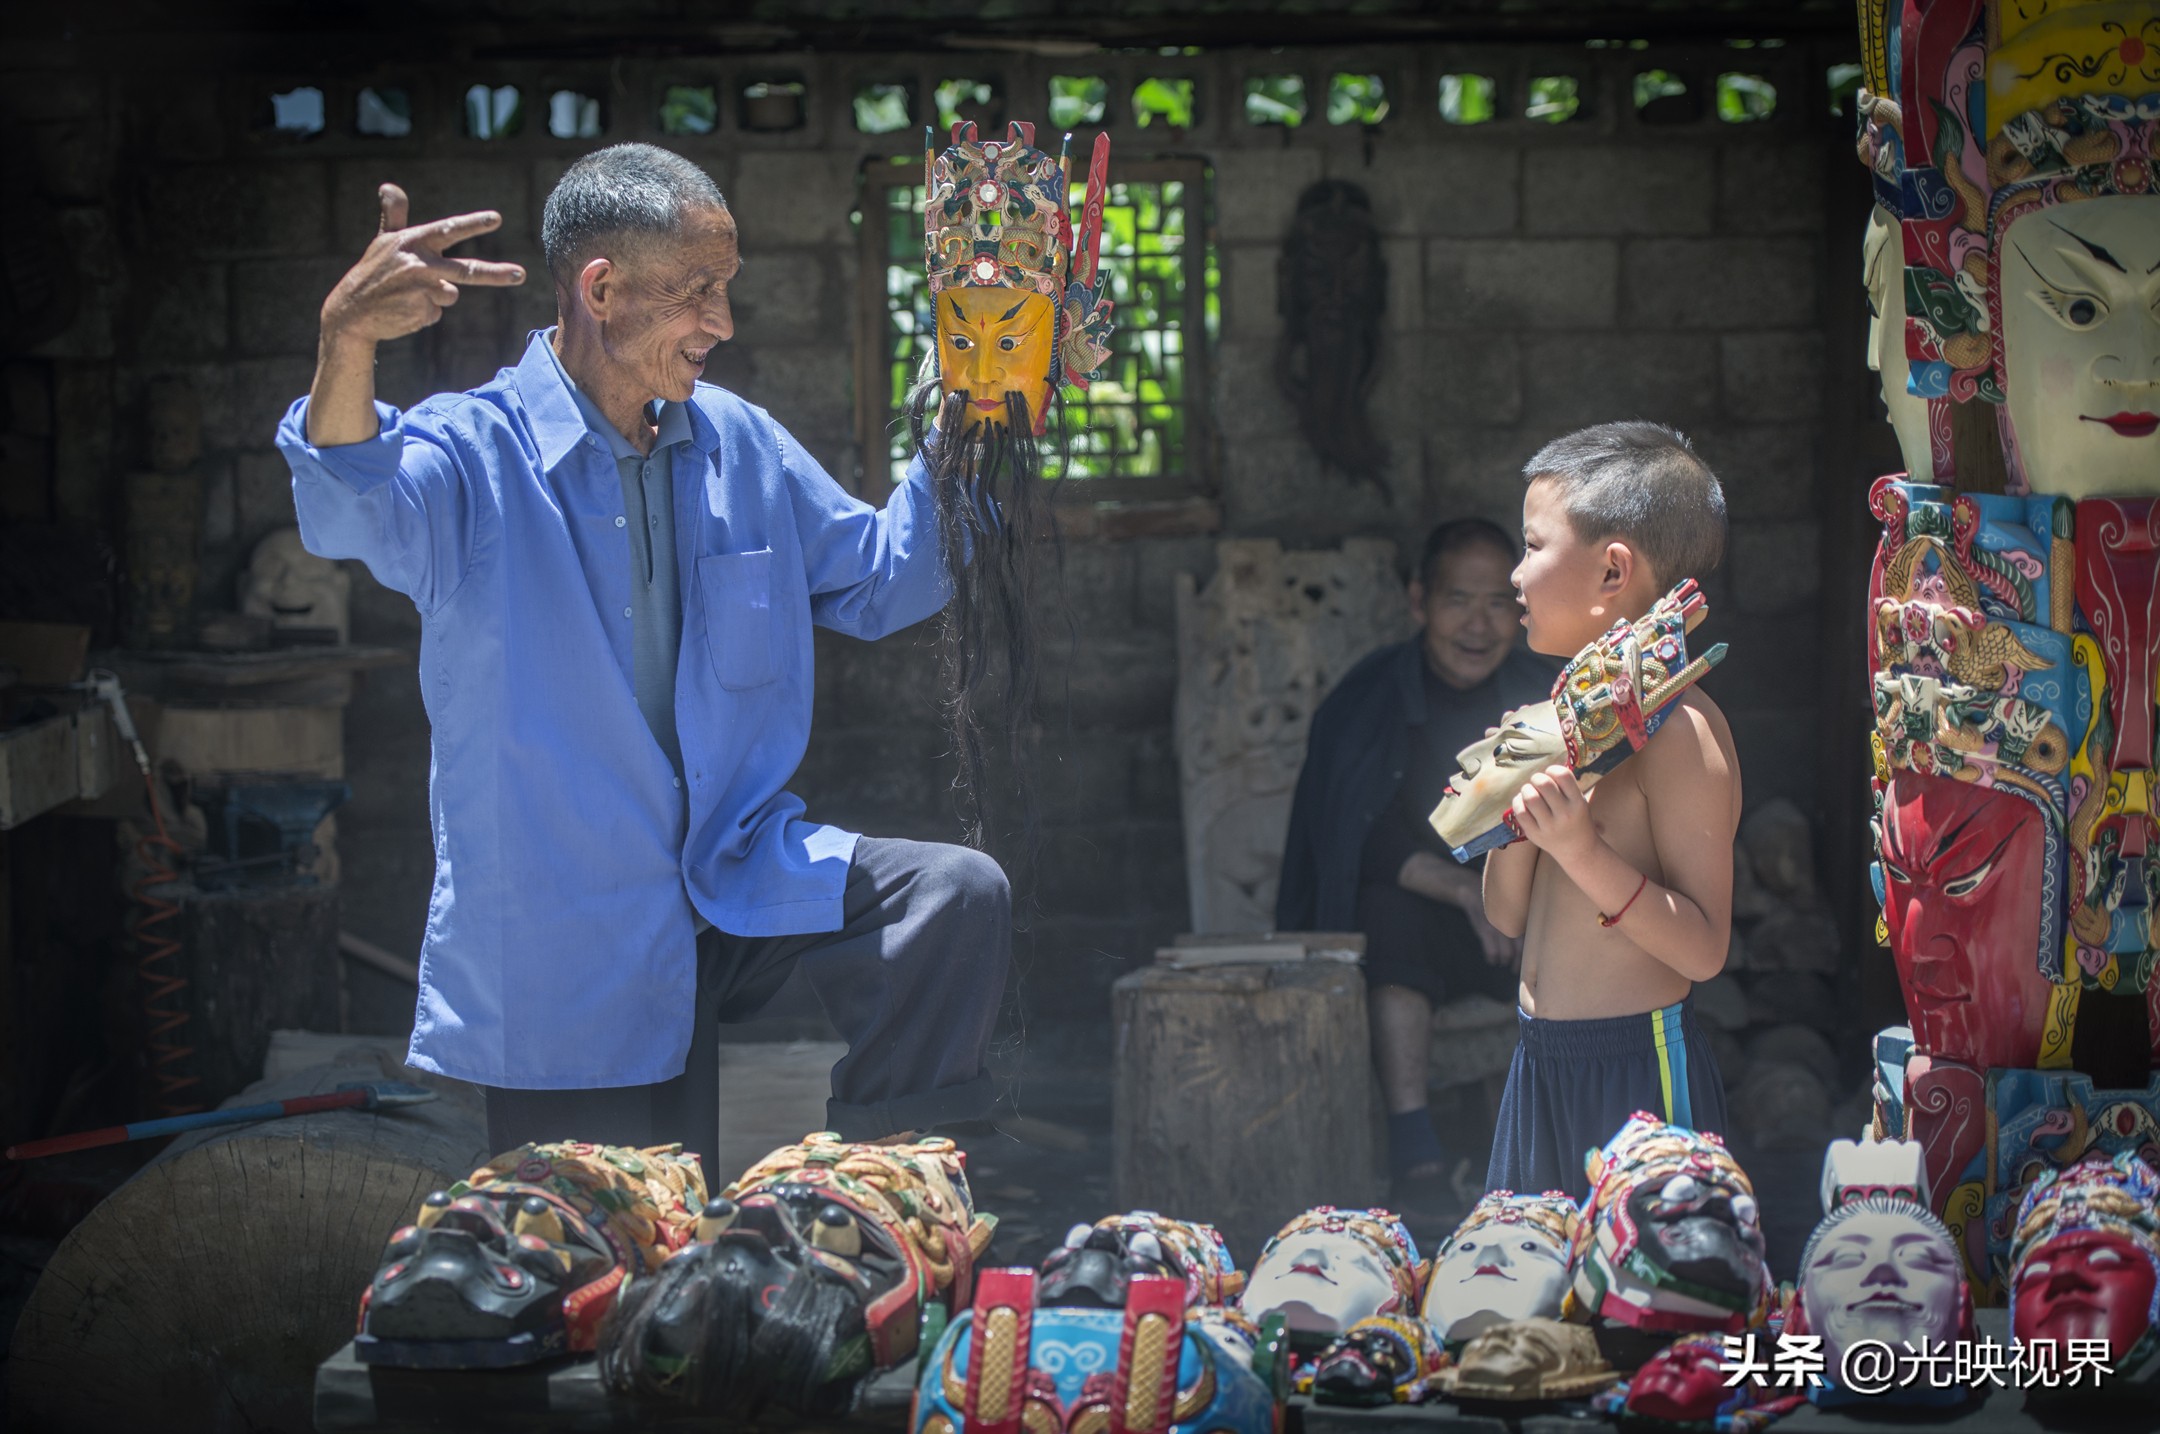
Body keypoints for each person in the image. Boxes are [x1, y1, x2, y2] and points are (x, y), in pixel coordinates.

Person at [273, 143, 1010, 1175]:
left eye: (726, 290)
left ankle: (874, 1204)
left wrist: (978, 408)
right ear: (602, 288)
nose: (721, 323)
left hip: (734, 879)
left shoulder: (737, 443)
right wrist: (345, 341)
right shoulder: (473, 455)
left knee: (951, 898)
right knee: (614, 1253)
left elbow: (889, 581)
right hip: (573, 930)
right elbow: (349, 508)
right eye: (697, 292)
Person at [1481, 422, 1738, 1200]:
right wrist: (1517, 805)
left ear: (1611, 571)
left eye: (1532, 546)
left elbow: (1702, 952)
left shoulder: (1683, 734)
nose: (1515, 575)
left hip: (1639, 1072)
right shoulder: (1555, 721)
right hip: (1539, 1063)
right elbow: (1505, 917)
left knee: (1649, 1299)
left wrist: (1580, 849)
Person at [1277, 519, 1555, 1205]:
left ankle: (1547, 1146)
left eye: (1498, 603)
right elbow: (1346, 838)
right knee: (1387, 913)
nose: (1479, 625)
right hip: (1418, 929)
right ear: (1418, 601)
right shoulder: (1365, 699)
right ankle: (1413, 1145)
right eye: (1460, 600)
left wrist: (1522, 906)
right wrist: (1466, 893)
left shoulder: (1545, 695)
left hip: (1527, 924)